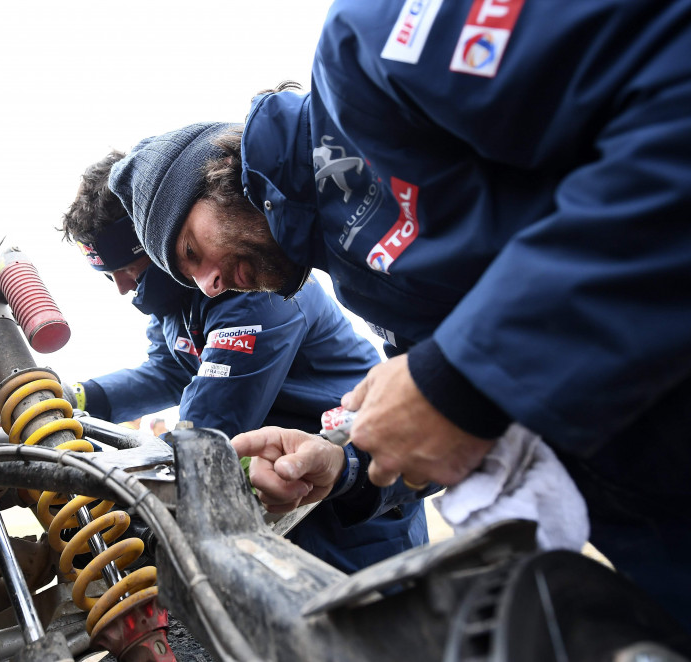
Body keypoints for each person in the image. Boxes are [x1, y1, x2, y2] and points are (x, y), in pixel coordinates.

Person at [106, 0, 691, 632]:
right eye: (189, 278)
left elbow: (670, 77)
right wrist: (346, 463)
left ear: (213, 175)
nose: (209, 285)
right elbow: (449, 421)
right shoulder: (367, 289)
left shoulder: (370, 49)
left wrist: (463, 374)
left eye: (192, 252)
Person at [59, 151, 429, 574]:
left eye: (126, 267)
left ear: (153, 235)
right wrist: (76, 398)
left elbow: (211, 425)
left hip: (353, 502)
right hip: (280, 490)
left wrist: (104, 492)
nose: (122, 288)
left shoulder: (247, 283)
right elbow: (167, 371)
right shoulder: (176, 305)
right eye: (109, 276)